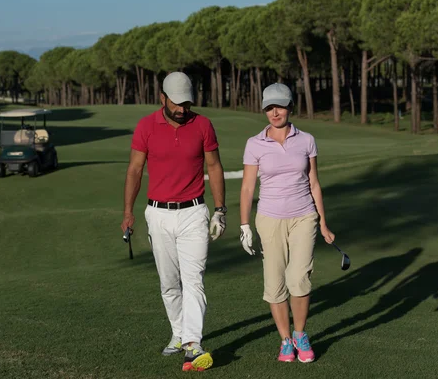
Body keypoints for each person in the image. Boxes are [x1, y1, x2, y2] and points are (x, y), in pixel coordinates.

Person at [121, 71, 227, 372]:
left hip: (194, 212)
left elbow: (215, 166)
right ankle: (179, 333)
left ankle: (193, 343)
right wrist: (128, 213)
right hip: (158, 214)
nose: (183, 110)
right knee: (169, 283)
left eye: (188, 104)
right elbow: (134, 171)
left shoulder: (203, 125)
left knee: (194, 280)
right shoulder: (146, 126)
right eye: (177, 104)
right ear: (163, 98)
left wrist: (221, 210)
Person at [239, 83, 335, 363]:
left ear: (290, 106)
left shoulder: (306, 140)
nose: (274, 112)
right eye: (269, 107)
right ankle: (285, 340)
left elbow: (314, 183)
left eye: (279, 106)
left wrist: (324, 223)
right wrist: (244, 225)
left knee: (299, 277)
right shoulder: (254, 143)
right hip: (268, 219)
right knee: (274, 283)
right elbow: (247, 189)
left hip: (304, 215)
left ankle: (301, 334)